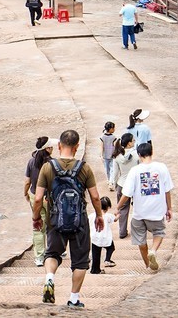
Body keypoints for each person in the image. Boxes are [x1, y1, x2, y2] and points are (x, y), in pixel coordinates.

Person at [31, 130, 107, 308]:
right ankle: (73, 298)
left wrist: (36, 217)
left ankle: (50, 278)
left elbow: (37, 198)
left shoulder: (48, 167)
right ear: (77, 146)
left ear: (59, 146)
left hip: (55, 219)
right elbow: (95, 197)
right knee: (80, 261)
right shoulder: (84, 168)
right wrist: (99, 216)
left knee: (52, 253)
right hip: (79, 220)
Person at [116, 142, 174, 272]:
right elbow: (167, 191)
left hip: (139, 213)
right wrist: (169, 208)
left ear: (139, 155)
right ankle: (153, 250)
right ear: (151, 152)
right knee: (159, 232)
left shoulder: (135, 171)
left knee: (140, 240)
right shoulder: (162, 168)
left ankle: (148, 265)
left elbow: (126, 194)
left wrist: (117, 208)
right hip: (157, 212)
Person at [23, 137, 56, 267]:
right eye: (51, 147)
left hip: (35, 197)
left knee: (38, 225)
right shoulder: (52, 163)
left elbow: (27, 181)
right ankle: (55, 251)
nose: (52, 148)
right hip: (49, 198)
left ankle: (39, 257)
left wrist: (25, 193)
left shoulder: (31, 162)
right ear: (47, 148)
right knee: (52, 224)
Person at [108, 133, 137, 239]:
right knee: (137, 208)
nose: (134, 142)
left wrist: (114, 184)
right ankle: (138, 230)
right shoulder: (136, 155)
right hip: (135, 185)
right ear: (129, 143)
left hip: (122, 184)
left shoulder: (117, 156)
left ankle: (122, 232)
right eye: (133, 140)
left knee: (123, 210)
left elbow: (115, 173)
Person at [89, 196, 116, 273]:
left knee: (96, 254)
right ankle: (107, 259)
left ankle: (95, 269)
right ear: (107, 207)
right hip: (105, 237)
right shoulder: (108, 216)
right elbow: (115, 219)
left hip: (95, 237)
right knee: (111, 248)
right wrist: (118, 215)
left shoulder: (91, 215)